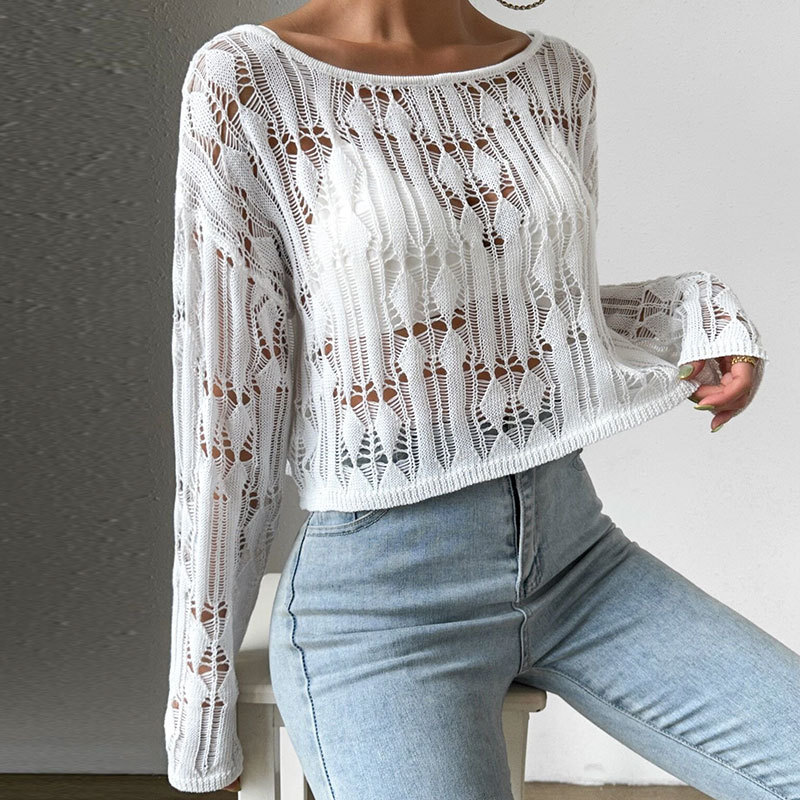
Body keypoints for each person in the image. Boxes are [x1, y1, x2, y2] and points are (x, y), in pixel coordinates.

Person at [164, 2, 799, 798]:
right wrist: (200, 713)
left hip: (580, 561)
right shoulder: (247, 80)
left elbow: (527, 317)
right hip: (382, 608)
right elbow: (227, 404)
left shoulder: (554, 74)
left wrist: (692, 312)